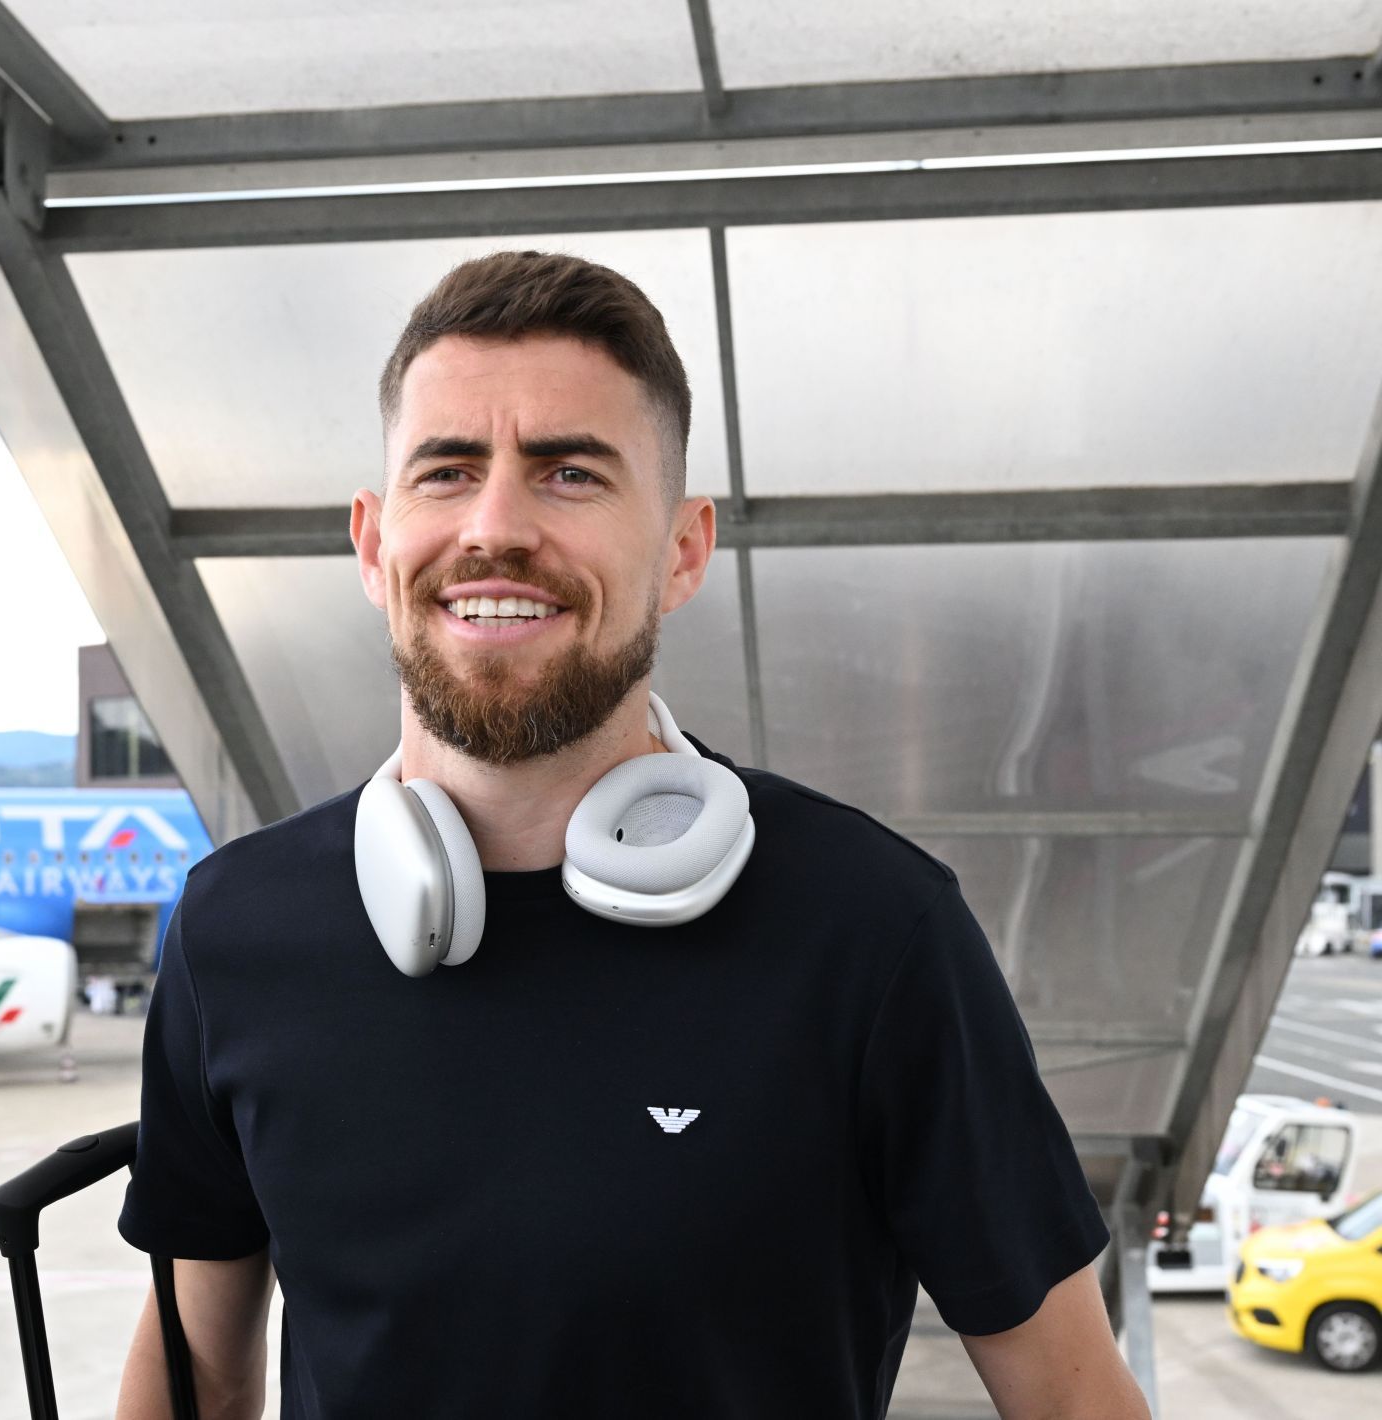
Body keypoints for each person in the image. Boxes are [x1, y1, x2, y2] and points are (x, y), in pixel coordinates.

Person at [114, 251, 1148, 1418]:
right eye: (448, 471)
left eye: (569, 474)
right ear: (371, 541)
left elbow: (1073, 1402)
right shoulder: (234, 931)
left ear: (684, 551)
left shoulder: (873, 932)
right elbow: (195, 1373)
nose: (495, 528)